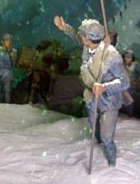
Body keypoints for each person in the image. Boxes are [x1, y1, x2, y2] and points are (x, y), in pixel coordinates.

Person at [53, 15, 130, 167]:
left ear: (88, 38)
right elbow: (76, 35)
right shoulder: (87, 46)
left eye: (83, 35)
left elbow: (125, 82)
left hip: (108, 101)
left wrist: (104, 87)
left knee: (106, 137)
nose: (80, 37)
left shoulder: (110, 56)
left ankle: (112, 164)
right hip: (92, 99)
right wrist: (64, 28)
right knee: (95, 129)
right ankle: (100, 145)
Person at [121, 49, 140, 115]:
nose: (127, 59)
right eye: (126, 57)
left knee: (130, 101)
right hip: (122, 86)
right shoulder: (122, 64)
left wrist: (137, 82)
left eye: (129, 58)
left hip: (132, 86)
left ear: (132, 58)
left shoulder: (136, 65)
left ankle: (129, 114)